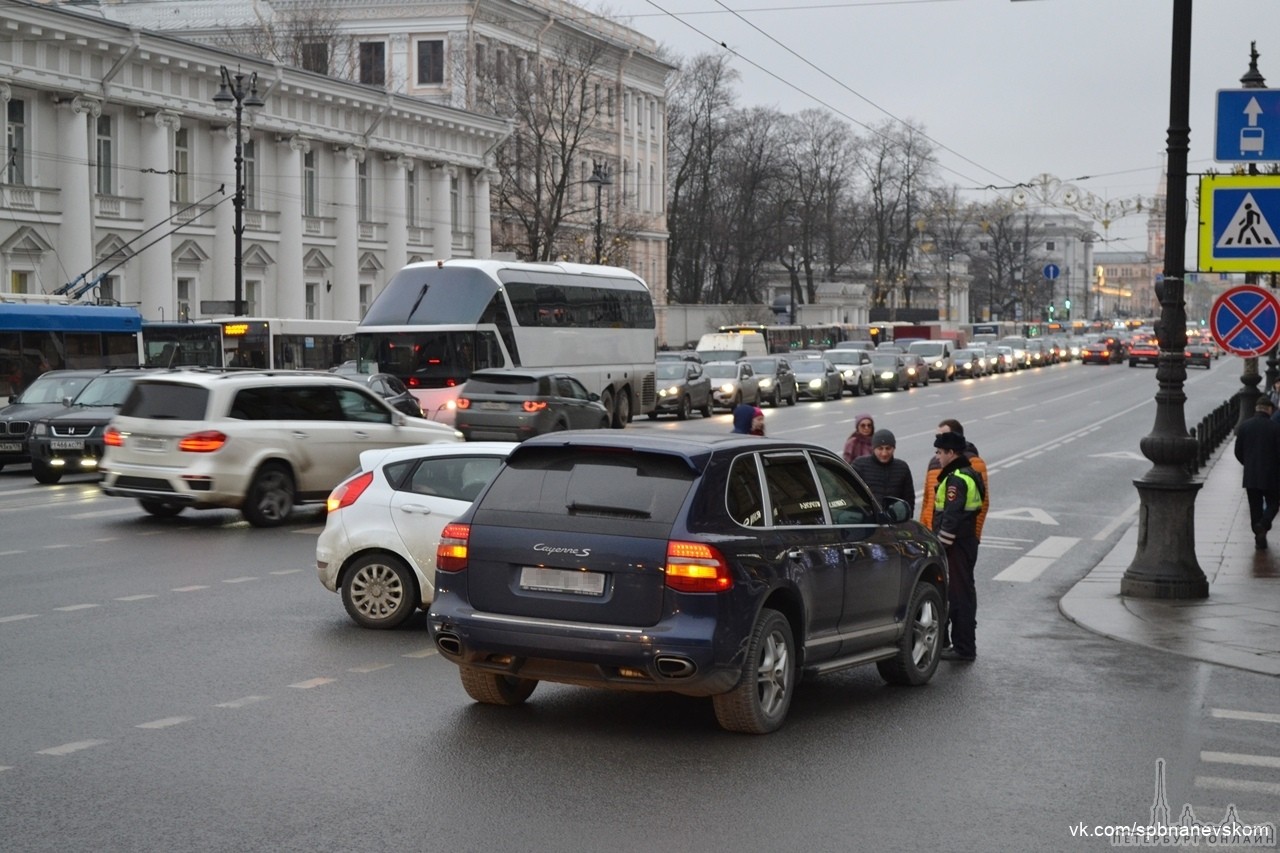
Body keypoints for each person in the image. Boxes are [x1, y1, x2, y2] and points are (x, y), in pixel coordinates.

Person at [931, 431, 984, 662]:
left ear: (951, 453)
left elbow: (951, 517)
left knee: (959, 596)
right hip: (966, 542)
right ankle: (965, 645)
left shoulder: (956, 478)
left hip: (957, 545)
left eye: (940, 452)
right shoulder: (969, 473)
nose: (937, 457)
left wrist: (940, 547)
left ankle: (963, 647)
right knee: (965, 593)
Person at [920, 419, 989, 543]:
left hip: (953, 540)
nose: (938, 440)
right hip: (934, 534)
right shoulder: (935, 462)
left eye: (942, 436)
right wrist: (923, 530)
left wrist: (975, 536)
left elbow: (981, 504)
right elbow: (927, 500)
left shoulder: (973, 464)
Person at [1235, 396, 1280, 550]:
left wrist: (1248, 464)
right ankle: (1264, 524)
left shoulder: (1245, 426)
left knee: (1255, 506)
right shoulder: (1275, 428)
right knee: (1274, 502)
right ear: (1269, 410)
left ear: (1256, 409)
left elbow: (1238, 451)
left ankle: (1259, 536)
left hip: (1251, 475)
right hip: (1271, 475)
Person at [851, 429, 915, 515]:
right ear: (873, 448)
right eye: (880, 449)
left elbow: (909, 499)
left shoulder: (902, 468)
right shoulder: (860, 466)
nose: (884, 453)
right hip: (868, 521)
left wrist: (905, 519)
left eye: (888, 448)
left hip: (893, 521)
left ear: (894, 448)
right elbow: (849, 494)